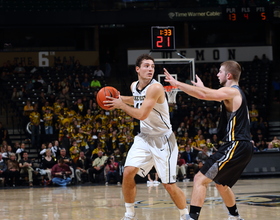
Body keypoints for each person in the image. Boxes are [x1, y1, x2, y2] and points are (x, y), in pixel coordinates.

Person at [164, 60, 254, 220]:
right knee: (221, 183)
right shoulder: (233, 92)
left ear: (228, 75)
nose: (217, 74)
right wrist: (202, 88)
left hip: (236, 144)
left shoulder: (232, 92)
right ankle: (235, 216)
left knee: (200, 178)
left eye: (220, 71)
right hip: (242, 146)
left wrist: (177, 83)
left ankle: (192, 217)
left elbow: (204, 95)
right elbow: (207, 93)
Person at [105, 54, 188, 220]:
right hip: (144, 137)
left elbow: (142, 114)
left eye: (152, 66)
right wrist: (120, 99)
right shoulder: (134, 85)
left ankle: (185, 215)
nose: (150, 69)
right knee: (128, 172)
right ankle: (130, 214)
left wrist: (121, 105)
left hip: (163, 139)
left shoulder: (156, 88)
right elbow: (137, 99)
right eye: (146, 66)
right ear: (137, 69)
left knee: (168, 185)